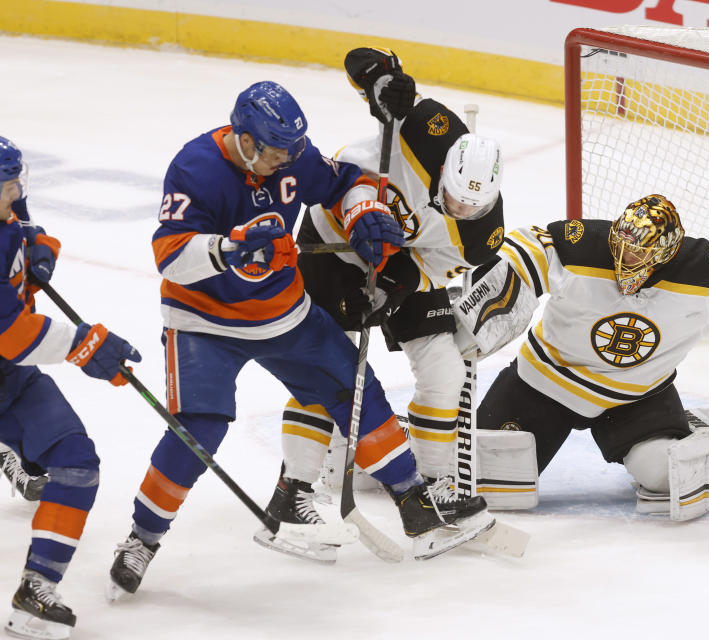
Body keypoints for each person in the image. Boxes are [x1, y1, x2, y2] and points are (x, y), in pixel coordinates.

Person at [107, 80, 492, 598]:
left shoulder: (290, 156)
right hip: (204, 322)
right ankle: (141, 539)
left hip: (285, 312)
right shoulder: (196, 166)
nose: (285, 160)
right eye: (274, 151)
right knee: (198, 431)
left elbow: (345, 181)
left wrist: (365, 215)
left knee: (354, 391)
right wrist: (228, 249)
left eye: (292, 150)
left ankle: (412, 501)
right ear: (245, 139)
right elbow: (170, 254)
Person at [451, 194, 709, 520]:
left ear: (666, 253)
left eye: (638, 254)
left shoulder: (706, 271)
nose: (625, 260)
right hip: (542, 384)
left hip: (635, 397)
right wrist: (483, 301)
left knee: (666, 475)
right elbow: (527, 250)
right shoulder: (579, 244)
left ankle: (696, 430)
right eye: (620, 247)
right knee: (488, 477)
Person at [257, 49, 506, 548]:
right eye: (452, 196)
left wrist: (390, 290)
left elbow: (430, 267)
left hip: (402, 263)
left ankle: (436, 488)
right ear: (445, 166)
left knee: (444, 369)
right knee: (325, 369)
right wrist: (383, 82)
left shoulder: (481, 236)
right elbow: (359, 62)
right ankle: (293, 488)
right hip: (333, 239)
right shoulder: (431, 127)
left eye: (469, 207)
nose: (457, 208)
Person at [0, 136, 142, 640]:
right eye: (8, 182)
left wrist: (33, 240)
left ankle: (36, 590)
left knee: (76, 462)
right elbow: (13, 336)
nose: (18, 189)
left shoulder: (7, 207)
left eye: (19, 179)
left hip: (9, 382)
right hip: (8, 362)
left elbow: (19, 216)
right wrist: (87, 345)